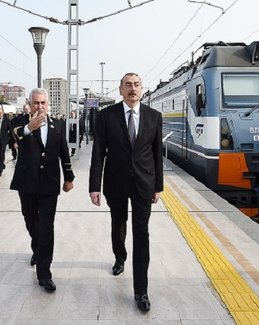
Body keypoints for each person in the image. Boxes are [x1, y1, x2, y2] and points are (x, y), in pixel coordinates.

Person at [89, 72, 163, 312]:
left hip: (143, 184)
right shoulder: (106, 116)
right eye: (128, 85)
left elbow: (156, 156)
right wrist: (94, 186)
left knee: (142, 235)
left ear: (142, 89)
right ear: (120, 90)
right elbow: (98, 152)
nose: (133, 89)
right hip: (116, 182)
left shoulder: (154, 117)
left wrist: (158, 186)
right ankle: (120, 258)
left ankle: (141, 291)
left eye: (137, 85)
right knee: (118, 223)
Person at [10, 88, 75, 292]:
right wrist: (29, 128)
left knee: (47, 227)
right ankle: (36, 248)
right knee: (31, 222)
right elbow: (15, 135)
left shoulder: (58, 125)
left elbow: (64, 152)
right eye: (36, 103)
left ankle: (44, 273)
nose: (40, 107)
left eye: (43, 103)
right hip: (27, 183)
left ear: (48, 105)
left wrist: (69, 177)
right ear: (29, 104)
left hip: (49, 184)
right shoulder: (20, 122)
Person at [0, 105, 12, 176]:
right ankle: (2, 165)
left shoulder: (7, 121)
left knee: (1, 154)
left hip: (3, 140)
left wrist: (12, 141)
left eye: (0, 113)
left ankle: (0, 169)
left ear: (3, 113)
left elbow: (10, 130)